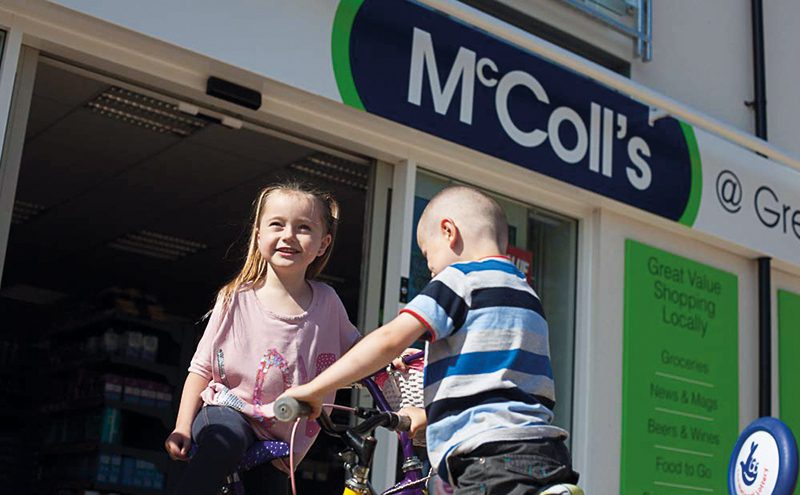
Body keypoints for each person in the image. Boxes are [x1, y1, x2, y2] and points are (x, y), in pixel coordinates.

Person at [280, 185, 579, 494]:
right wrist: (431, 416)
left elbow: (389, 340)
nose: (430, 267)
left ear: (449, 232)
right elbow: (500, 386)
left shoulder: (460, 279)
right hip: (545, 454)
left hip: (486, 459)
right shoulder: (526, 294)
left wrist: (314, 390)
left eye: (427, 254)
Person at [164, 181, 361, 495]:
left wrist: (395, 360)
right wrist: (182, 426)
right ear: (258, 237)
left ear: (323, 244)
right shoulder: (235, 298)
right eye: (277, 225)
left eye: (303, 228)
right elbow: (200, 369)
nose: (288, 235)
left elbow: (361, 352)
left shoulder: (328, 302)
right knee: (222, 442)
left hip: (280, 442)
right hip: (228, 410)